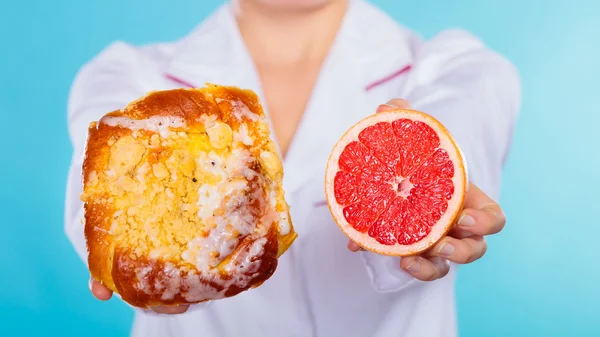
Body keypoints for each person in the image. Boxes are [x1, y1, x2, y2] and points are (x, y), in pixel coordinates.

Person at [64, 0, 520, 336]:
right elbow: (104, 191)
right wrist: (144, 272)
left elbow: (459, 120)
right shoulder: (126, 75)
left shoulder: (457, 68)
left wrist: (420, 195)